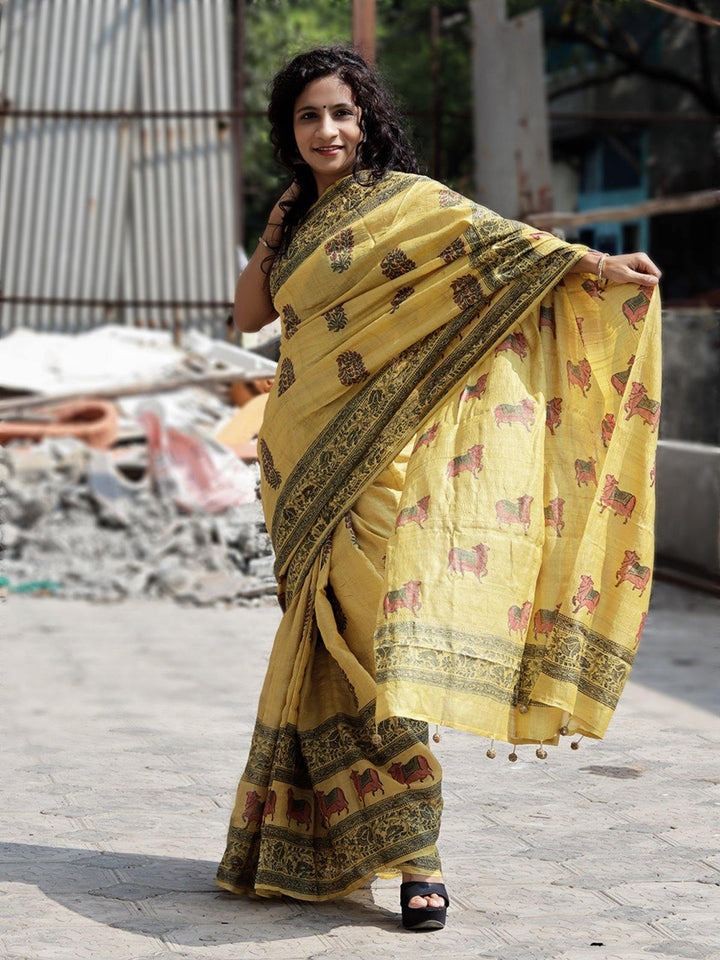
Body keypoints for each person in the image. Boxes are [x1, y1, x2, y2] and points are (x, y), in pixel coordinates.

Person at [216, 46, 661, 931]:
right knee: (332, 646)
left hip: (376, 464)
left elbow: (504, 250)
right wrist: (280, 221)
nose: (327, 130)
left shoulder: (407, 205)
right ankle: (339, 843)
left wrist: (596, 268)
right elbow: (249, 318)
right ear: (289, 130)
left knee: (383, 650)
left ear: (367, 116)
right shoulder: (296, 212)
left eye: (341, 112)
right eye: (308, 117)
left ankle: (419, 854)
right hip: (298, 461)